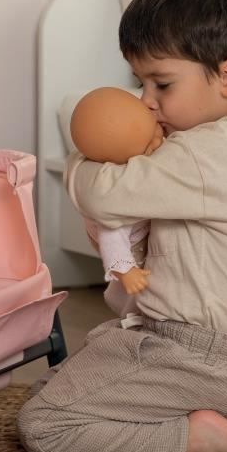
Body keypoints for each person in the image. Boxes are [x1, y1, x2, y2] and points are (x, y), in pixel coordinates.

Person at [17, 0, 227, 452]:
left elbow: (102, 194)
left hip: (190, 353)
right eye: (139, 82)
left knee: (47, 426)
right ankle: (208, 410)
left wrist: (85, 150)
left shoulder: (207, 154)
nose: (145, 101)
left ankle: (196, 438)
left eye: (161, 84)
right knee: (47, 393)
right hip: (196, 349)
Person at [69, 87, 163, 298]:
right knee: (130, 296)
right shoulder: (114, 193)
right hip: (133, 246)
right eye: (148, 146)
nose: (159, 140)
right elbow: (110, 237)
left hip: (145, 229)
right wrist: (125, 270)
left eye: (156, 126)